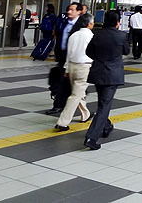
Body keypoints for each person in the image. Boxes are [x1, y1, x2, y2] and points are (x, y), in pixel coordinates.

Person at [83, 10, 129, 150]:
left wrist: (100, 59)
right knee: (104, 105)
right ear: (117, 22)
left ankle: (106, 126)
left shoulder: (97, 34)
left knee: (103, 102)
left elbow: (88, 52)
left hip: (98, 72)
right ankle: (91, 137)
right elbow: (126, 51)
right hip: (112, 74)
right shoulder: (121, 35)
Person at [54, 13, 94, 131]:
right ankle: (62, 122)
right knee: (75, 95)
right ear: (89, 24)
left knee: (77, 92)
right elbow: (93, 54)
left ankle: (85, 114)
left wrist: (66, 68)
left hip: (72, 66)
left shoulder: (73, 35)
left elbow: (69, 53)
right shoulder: (91, 36)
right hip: (84, 67)